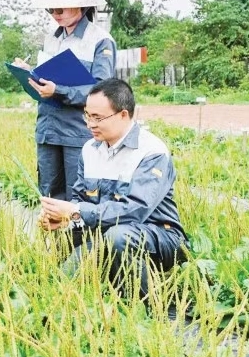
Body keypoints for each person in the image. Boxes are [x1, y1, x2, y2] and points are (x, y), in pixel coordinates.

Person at [39, 78, 189, 298]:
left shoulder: (151, 152)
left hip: (159, 236)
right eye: (87, 115)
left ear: (123, 115)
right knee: (66, 232)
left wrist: (76, 212)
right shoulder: (89, 149)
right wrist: (62, 217)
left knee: (119, 235)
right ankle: (78, 292)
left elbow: (135, 210)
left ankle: (147, 305)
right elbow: (81, 199)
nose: (90, 124)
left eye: (98, 118)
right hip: (108, 233)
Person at [14, 0, 117, 201]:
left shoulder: (100, 40)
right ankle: (54, 239)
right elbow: (44, 84)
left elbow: (102, 92)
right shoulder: (51, 38)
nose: (55, 15)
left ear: (80, 6)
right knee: (49, 194)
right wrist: (28, 75)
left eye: (60, 9)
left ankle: (79, 239)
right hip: (48, 130)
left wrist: (58, 90)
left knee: (79, 196)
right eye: (51, 10)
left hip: (78, 132)